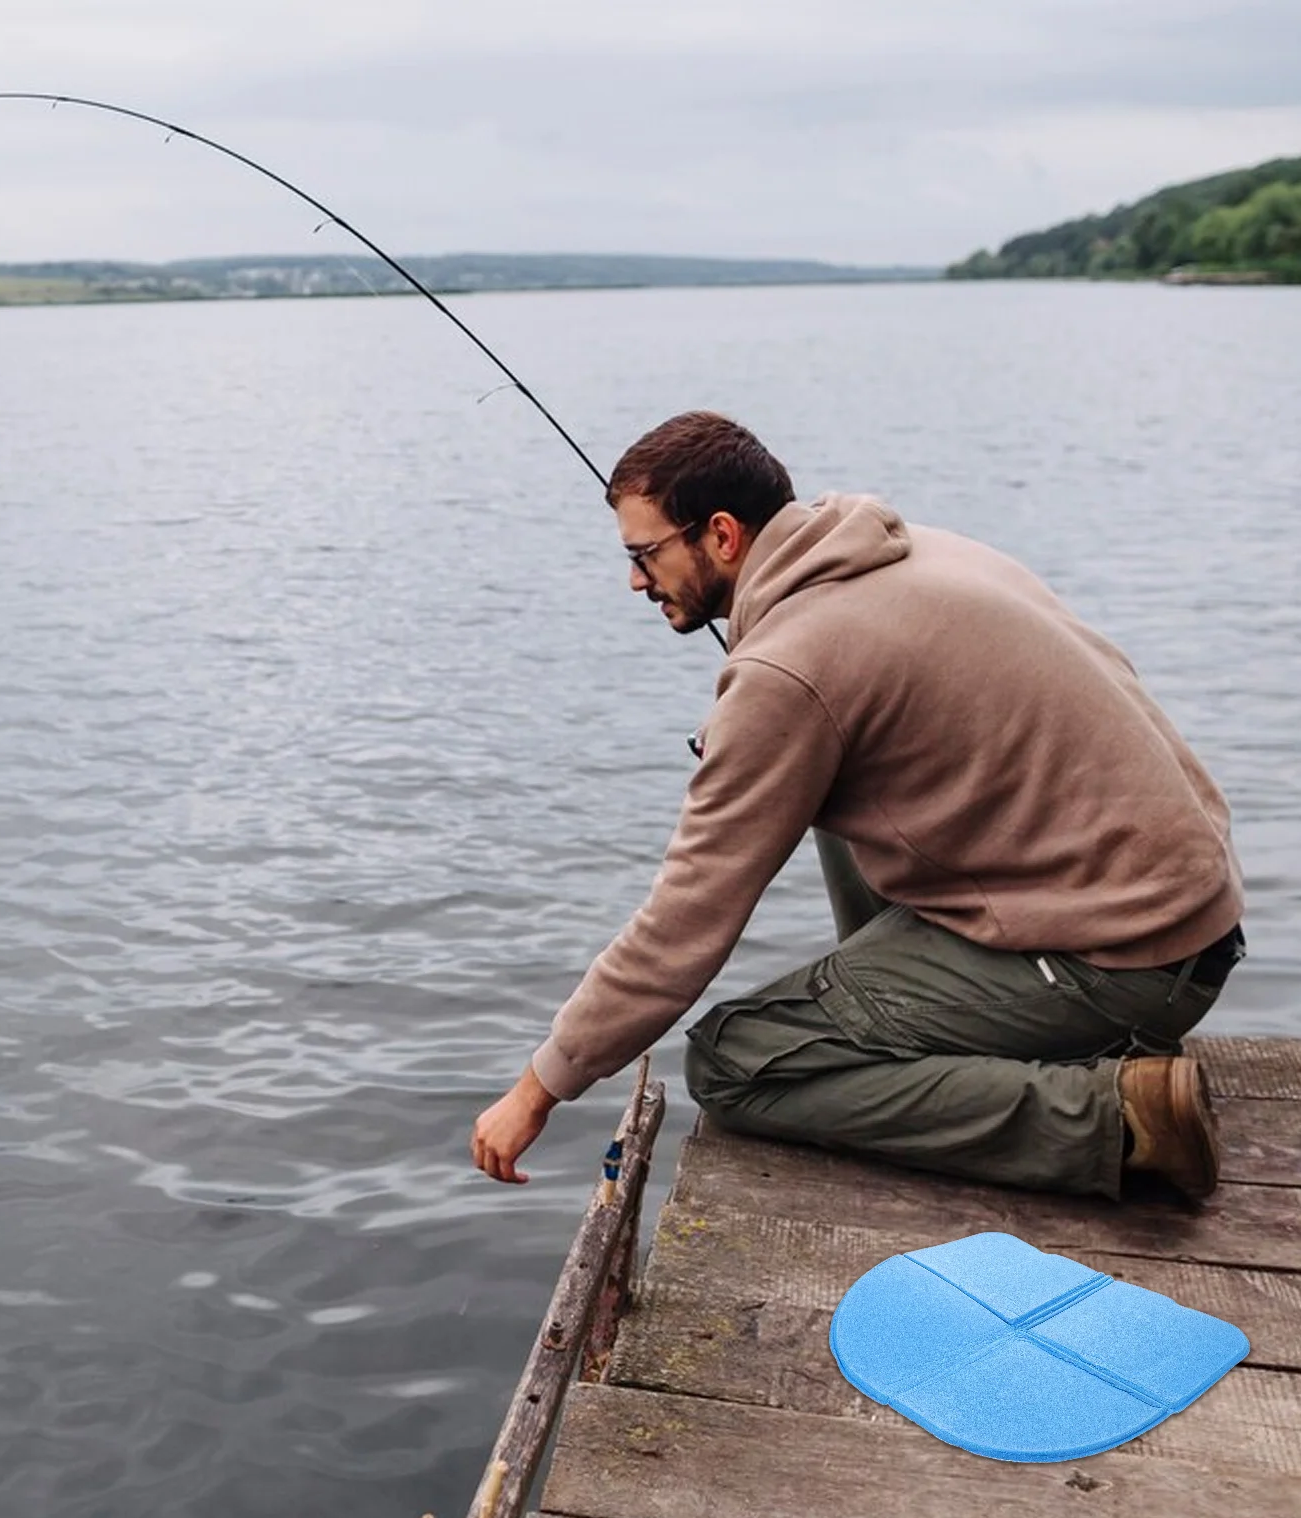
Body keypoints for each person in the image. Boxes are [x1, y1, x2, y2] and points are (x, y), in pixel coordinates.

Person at [471, 411, 1244, 1200]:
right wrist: (757, 732)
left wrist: (539, 1088)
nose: (636, 581)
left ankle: (1117, 1120)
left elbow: (684, 925)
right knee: (835, 795)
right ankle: (927, 1031)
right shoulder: (901, 549)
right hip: (1188, 910)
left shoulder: (790, 669)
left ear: (725, 536)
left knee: (735, 1062)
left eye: (645, 554)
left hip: (1124, 963)